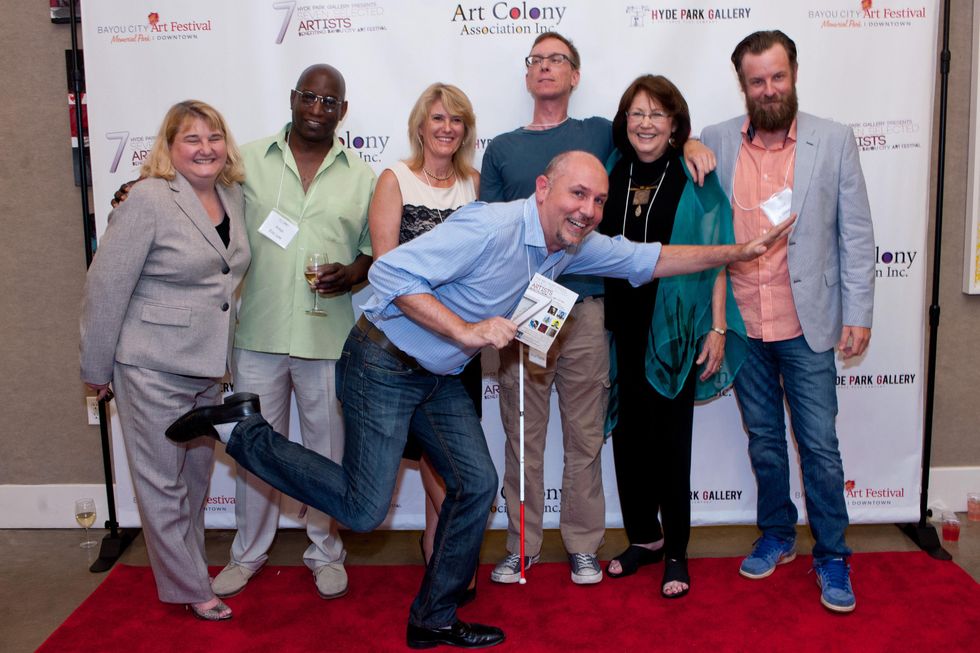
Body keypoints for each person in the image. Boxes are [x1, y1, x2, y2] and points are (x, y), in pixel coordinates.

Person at [166, 150, 793, 648]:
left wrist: (739, 252)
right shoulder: (489, 226)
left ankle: (433, 618)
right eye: (578, 194)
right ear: (544, 188)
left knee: (476, 483)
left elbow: (653, 258)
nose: (589, 210)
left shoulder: (573, 245)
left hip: (436, 375)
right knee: (362, 511)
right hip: (381, 361)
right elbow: (388, 274)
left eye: (599, 201)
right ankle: (242, 429)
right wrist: (467, 331)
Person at [480, 31, 717, 586]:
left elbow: (651, 142)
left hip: (587, 306)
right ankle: (522, 545)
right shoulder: (502, 149)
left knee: (587, 435)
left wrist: (691, 142)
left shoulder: (596, 135)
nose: (545, 68)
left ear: (575, 75)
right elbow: (491, 234)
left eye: (557, 60)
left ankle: (583, 545)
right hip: (527, 308)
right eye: (536, 60)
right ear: (527, 72)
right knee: (523, 435)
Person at [701, 30, 875, 613]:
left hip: (809, 324)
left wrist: (860, 312)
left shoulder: (835, 139)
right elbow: (702, 225)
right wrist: (688, 152)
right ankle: (777, 531)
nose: (769, 89)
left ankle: (832, 552)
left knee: (820, 447)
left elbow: (855, 234)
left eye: (777, 77)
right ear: (743, 85)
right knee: (767, 442)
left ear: (794, 73)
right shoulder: (717, 141)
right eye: (757, 80)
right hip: (745, 327)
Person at [209, 64, 375, 601]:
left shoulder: (362, 175)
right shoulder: (247, 163)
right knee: (254, 447)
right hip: (257, 331)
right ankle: (249, 553)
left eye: (330, 102)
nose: (317, 109)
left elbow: (378, 250)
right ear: (292, 98)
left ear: (343, 112)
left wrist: (354, 273)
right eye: (309, 97)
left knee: (327, 453)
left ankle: (325, 552)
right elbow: (202, 210)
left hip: (328, 338)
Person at [80, 100, 251, 621]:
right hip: (149, 364)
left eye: (214, 137)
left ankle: (188, 568)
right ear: (169, 149)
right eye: (191, 140)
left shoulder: (233, 196)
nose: (205, 148)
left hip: (206, 367)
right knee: (162, 483)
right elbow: (105, 288)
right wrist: (96, 370)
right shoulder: (149, 199)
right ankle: (192, 588)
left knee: (195, 481)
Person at [599, 75, 746, 598]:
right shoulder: (610, 169)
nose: (645, 123)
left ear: (675, 124)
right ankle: (645, 538)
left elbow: (718, 253)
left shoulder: (692, 174)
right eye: (637, 113)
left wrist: (718, 326)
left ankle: (678, 550)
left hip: (676, 330)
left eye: (657, 114)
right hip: (620, 326)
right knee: (628, 438)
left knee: (669, 442)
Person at [368, 82, 480, 603]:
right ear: (420, 125)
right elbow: (385, 269)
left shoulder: (476, 185)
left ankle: (440, 554)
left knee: (452, 457)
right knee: (438, 460)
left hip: (462, 349)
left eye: (456, 120)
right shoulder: (394, 179)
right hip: (407, 347)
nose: (446, 128)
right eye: (437, 118)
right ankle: (451, 556)